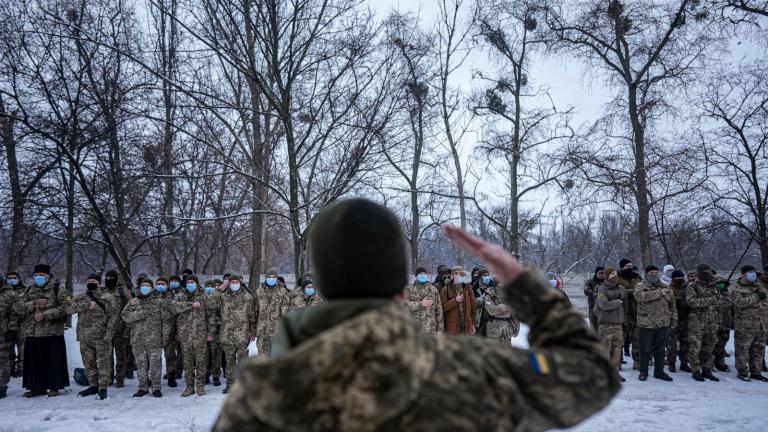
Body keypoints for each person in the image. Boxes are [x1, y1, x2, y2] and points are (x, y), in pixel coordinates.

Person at [212, 198, 619, 431]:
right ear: (401, 287)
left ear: (320, 285)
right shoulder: (471, 371)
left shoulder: (258, 401)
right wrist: (524, 286)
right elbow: (593, 373)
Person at [14, 264, 70, 397]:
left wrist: (46, 314)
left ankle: (54, 386)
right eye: (36, 275)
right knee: (34, 362)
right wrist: (33, 304)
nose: (38, 277)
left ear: (48, 276)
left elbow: (67, 307)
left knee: (53, 361)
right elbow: (17, 307)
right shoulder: (28, 290)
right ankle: (35, 387)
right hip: (32, 332)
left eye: (42, 275)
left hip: (52, 332)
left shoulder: (58, 290)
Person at [68, 273, 118, 399]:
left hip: (101, 337)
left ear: (99, 283)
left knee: (103, 364)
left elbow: (113, 317)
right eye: (89, 280)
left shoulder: (108, 297)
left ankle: (103, 388)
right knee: (89, 363)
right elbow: (68, 309)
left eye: (94, 281)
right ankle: (93, 385)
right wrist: (86, 305)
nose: (91, 282)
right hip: (84, 337)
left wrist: (109, 334)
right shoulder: (82, 297)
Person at [171, 275, 215, 396]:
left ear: (196, 283)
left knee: (201, 362)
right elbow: (174, 308)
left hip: (200, 335)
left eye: (192, 282)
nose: (190, 284)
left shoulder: (204, 297)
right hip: (185, 335)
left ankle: (200, 386)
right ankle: (189, 387)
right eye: (188, 282)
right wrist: (190, 304)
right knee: (187, 362)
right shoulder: (180, 296)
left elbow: (211, 316)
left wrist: (211, 333)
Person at [121, 279, 164, 397]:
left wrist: (164, 336)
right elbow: (125, 316)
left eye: (147, 285)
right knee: (141, 365)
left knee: (155, 365)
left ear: (152, 287)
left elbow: (166, 319)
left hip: (154, 338)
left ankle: (156, 388)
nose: (145, 287)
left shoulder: (159, 301)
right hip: (137, 339)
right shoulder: (133, 301)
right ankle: (143, 388)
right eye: (143, 285)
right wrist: (140, 314)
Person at [634, 265, 676, 382]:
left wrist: (673, 320)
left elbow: (672, 305)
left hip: (662, 323)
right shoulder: (640, 285)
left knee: (660, 349)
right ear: (646, 274)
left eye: (656, 272)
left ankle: (659, 372)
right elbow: (640, 297)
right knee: (645, 349)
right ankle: (643, 372)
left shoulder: (665, 287)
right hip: (646, 323)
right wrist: (659, 293)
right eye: (651, 273)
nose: (654, 274)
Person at [217, 274, 256, 394]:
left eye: (236, 281)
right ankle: (230, 384)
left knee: (243, 361)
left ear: (240, 283)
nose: (234, 284)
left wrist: (253, 331)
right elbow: (211, 303)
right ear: (228, 283)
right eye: (232, 282)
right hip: (227, 335)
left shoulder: (247, 297)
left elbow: (252, 315)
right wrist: (220, 289)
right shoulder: (222, 297)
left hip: (242, 335)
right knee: (229, 362)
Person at [730, 265, 768, 382]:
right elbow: (739, 302)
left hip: (761, 325)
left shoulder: (760, 287)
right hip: (744, 326)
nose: (753, 274)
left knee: (758, 350)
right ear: (743, 274)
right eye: (750, 272)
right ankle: (742, 372)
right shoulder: (735, 288)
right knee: (742, 350)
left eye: (754, 272)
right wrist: (756, 297)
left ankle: (756, 372)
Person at [686, 264, 722, 382]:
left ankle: (707, 370)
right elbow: (691, 302)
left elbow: (721, 300)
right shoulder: (692, 286)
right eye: (705, 271)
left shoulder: (714, 286)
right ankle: (696, 370)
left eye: (709, 271)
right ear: (700, 272)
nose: (708, 273)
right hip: (697, 322)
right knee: (695, 347)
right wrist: (711, 300)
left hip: (712, 322)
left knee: (710, 347)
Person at [596, 266, 627, 382]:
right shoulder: (602, 289)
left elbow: (625, 305)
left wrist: (625, 319)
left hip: (618, 324)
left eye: (616, 274)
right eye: (612, 274)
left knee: (617, 349)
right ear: (607, 276)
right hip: (606, 324)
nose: (615, 276)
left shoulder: (622, 288)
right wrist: (617, 302)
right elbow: (603, 305)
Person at [104, 269, 132, 387]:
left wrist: (127, 329)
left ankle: (120, 378)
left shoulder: (122, 292)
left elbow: (130, 309)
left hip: (120, 329)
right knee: (106, 356)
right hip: (105, 330)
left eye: (111, 278)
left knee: (121, 356)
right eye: (107, 278)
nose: (109, 280)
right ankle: (109, 378)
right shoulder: (102, 291)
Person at [255, 269, 291, 357]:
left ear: (277, 278)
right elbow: (255, 312)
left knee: (277, 359)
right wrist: (254, 330)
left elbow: (285, 312)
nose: (271, 279)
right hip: (262, 332)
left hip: (277, 332)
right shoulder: (259, 292)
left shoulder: (283, 292)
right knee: (263, 359)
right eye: (269, 277)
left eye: (274, 277)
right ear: (266, 278)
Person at [477, 267, 520, 342]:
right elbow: (491, 310)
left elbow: (515, 314)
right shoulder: (489, 293)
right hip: (493, 329)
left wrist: (516, 329)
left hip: (507, 328)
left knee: (506, 352)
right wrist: (507, 306)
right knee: (493, 352)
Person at [0, 272, 21, 398]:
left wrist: (12, 330)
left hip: (3, 333)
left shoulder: (10, 295)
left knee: (3, 361)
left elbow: (15, 314)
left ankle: (2, 387)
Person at [403, 267, 443, 333]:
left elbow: (439, 310)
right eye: (421, 274)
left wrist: (440, 331)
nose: (423, 275)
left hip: (431, 329)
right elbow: (404, 305)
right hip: (414, 329)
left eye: (424, 274)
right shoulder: (409, 289)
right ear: (416, 276)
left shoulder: (433, 290)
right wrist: (421, 304)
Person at [618, 259, 642, 370]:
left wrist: (630, 292)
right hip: (621, 312)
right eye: (627, 266)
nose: (630, 267)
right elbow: (618, 292)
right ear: (622, 267)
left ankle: (637, 361)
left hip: (636, 312)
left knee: (637, 338)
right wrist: (633, 291)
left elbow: (642, 290)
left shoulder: (637, 278)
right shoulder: (617, 278)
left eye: (631, 265)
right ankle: (618, 360)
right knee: (620, 338)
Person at [156, 277, 179, 387]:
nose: (160, 286)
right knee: (154, 356)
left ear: (167, 285)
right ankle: (155, 377)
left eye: (163, 284)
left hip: (170, 330)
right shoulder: (151, 296)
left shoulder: (173, 296)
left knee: (170, 355)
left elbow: (177, 313)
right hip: (154, 331)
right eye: (158, 284)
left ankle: (171, 376)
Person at [440, 266, 477, 335]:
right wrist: (455, 301)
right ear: (452, 275)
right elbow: (442, 307)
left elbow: (473, 308)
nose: (459, 276)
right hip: (452, 327)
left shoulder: (468, 288)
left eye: (461, 274)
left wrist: (473, 324)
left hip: (466, 326)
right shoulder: (446, 289)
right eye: (456, 274)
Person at [666, 270, 690, 372]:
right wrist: (680, 299)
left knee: (685, 343)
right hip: (674, 320)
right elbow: (668, 301)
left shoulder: (688, 287)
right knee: (672, 344)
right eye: (677, 277)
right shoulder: (669, 288)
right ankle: (671, 363)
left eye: (681, 276)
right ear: (673, 278)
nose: (680, 279)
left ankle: (684, 363)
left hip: (686, 319)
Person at [3, 271, 24, 379]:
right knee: (9, 347)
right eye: (10, 278)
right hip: (7, 325)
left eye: (14, 278)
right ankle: (10, 367)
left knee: (22, 348)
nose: (12, 279)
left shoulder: (24, 290)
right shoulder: (4, 291)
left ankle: (21, 369)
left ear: (19, 279)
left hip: (22, 324)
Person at [203, 279, 223, 386]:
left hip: (216, 331)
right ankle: (205, 375)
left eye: (212, 286)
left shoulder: (219, 298)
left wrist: (216, 326)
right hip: (203, 332)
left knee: (216, 355)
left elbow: (222, 314)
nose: (209, 288)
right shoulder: (201, 298)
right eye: (208, 286)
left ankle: (216, 376)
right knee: (205, 356)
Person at [166, 274, 184, 379]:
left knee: (181, 351)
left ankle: (179, 370)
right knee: (169, 352)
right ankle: (170, 371)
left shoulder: (183, 293)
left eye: (175, 280)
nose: (173, 282)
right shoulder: (166, 293)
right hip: (168, 326)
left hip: (180, 326)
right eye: (171, 280)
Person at [713, 277, 733, 372]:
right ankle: (710, 363)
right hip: (714, 323)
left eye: (723, 284)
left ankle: (720, 362)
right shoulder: (712, 294)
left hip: (725, 324)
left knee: (722, 344)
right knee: (712, 344)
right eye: (719, 283)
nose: (722, 285)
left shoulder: (728, 294)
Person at [584, 267, 604, 332]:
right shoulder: (590, 281)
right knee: (593, 326)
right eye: (599, 273)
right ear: (596, 273)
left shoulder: (607, 282)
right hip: (593, 306)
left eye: (603, 273)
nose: (601, 275)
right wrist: (596, 292)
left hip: (604, 308)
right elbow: (586, 291)